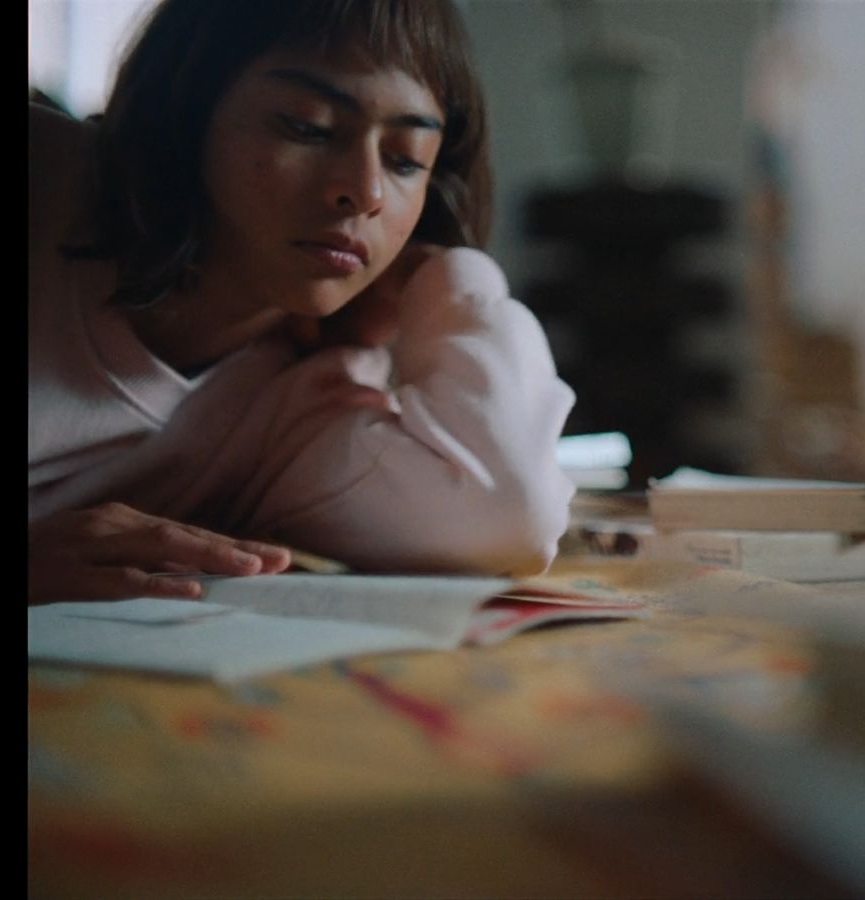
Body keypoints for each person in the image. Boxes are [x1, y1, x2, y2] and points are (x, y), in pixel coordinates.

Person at [28, 0, 576, 604]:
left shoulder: (300, 400)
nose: (366, 193)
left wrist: (448, 274)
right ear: (184, 109)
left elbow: (506, 516)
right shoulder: (44, 184)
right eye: (307, 126)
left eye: (405, 162)